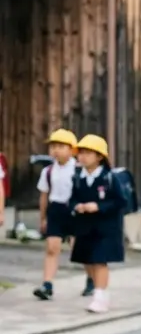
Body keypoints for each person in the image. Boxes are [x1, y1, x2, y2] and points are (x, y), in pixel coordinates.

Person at [33, 129, 95, 299]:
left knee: (79, 249)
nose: (56, 150)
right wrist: (43, 217)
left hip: (75, 211)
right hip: (56, 210)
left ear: (72, 150)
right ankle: (47, 285)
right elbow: (44, 195)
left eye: (61, 146)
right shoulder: (48, 171)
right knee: (52, 248)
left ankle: (91, 278)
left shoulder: (79, 170)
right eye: (53, 146)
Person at [69, 134, 126, 314]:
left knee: (100, 261)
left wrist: (99, 206)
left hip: (106, 228)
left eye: (87, 153)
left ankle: (100, 296)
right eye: (80, 153)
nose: (82, 157)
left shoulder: (109, 178)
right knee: (88, 261)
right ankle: (100, 291)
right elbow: (71, 199)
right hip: (85, 226)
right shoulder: (78, 177)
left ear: (99, 156)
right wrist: (77, 206)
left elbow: (120, 201)